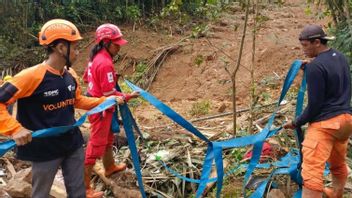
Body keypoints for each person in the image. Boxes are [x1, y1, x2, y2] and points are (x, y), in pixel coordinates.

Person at [0, 19, 124, 198]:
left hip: (72, 144)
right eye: (74, 48)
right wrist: (15, 129)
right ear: (60, 48)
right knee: (40, 194)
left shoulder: (70, 75)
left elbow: (78, 101)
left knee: (78, 192)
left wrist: (107, 100)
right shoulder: (30, 77)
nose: (77, 52)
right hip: (44, 150)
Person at [284, 24, 352, 198]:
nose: (303, 50)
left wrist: (296, 122)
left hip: (326, 124)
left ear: (316, 42)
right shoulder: (340, 57)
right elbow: (331, 76)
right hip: (345, 121)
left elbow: (314, 106)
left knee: (312, 171)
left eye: (305, 45)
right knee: (337, 164)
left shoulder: (316, 67)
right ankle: (336, 194)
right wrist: (311, 68)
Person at [83, 23, 139, 197]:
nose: (119, 48)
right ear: (106, 42)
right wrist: (129, 95)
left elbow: (86, 78)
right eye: (116, 44)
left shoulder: (95, 58)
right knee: (95, 146)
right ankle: (84, 188)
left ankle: (109, 167)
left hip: (97, 103)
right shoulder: (105, 62)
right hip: (101, 108)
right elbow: (110, 94)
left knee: (107, 139)